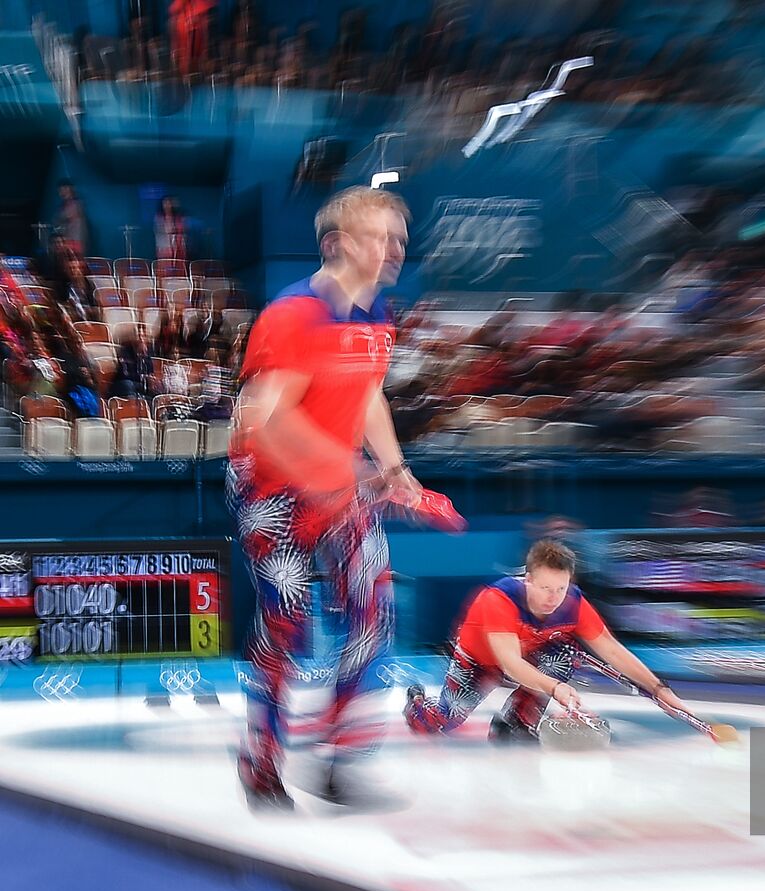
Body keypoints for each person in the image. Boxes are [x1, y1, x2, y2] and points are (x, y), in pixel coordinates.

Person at [228, 185, 422, 810]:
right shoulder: (293, 316)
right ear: (336, 244)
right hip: (272, 483)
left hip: (340, 484)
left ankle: (343, 762)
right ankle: (261, 763)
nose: (392, 247)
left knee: (373, 612)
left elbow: (367, 395)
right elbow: (265, 422)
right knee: (288, 621)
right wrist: (350, 468)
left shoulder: (376, 318)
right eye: (377, 235)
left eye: (398, 236)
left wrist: (394, 467)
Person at [404, 539, 697, 741]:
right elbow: (510, 664)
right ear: (528, 580)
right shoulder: (499, 599)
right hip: (479, 660)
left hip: (531, 652)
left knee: (566, 652)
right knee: (438, 724)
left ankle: (517, 719)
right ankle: (417, 701)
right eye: (545, 588)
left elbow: (612, 649)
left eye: (561, 588)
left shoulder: (573, 603)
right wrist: (556, 688)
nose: (553, 598)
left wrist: (660, 689)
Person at [155, 196, 187, 262]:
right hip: (164, 249)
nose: (168, 205)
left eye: (169, 203)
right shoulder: (159, 218)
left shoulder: (179, 218)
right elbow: (164, 231)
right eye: (165, 203)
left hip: (179, 249)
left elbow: (182, 231)